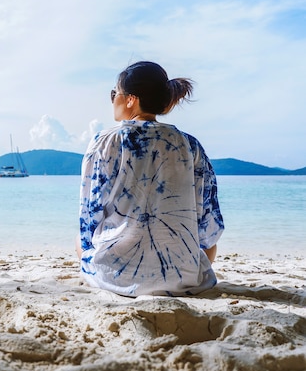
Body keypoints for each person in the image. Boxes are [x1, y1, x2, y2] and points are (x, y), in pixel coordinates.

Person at [76, 61, 224, 297]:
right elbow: (209, 226)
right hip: (182, 279)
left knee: (79, 239)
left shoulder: (104, 142)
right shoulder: (191, 144)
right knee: (207, 243)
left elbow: (88, 218)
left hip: (115, 276)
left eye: (115, 93)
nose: (113, 99)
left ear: (131, 99)